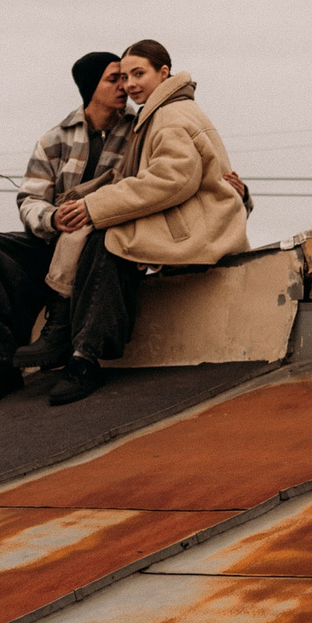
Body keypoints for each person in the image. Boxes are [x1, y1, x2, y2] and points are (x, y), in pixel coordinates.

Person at [44, 39, 253, 406]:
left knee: (112, 238)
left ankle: (84, 355)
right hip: (189, 219)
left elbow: (171, 180)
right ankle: (68, 336)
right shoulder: (160, 112)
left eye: (139, 73)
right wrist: (84, 200)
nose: (130, 84)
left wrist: (95, 207)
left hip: (200, 228)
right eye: (124, 76)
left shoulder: (172, 115)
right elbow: (134, 177)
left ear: (164, 72)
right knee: (104, 231)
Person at [0, 51, 132, 407]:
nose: (124, 86)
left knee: (101, 240)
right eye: (113, 79)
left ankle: (83, 358)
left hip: (105, 244)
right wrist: (53, 218)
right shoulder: (56, 138)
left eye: (126, 78)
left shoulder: (139, 131)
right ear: (90, 87)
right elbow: (30, 199)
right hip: (55, 243)